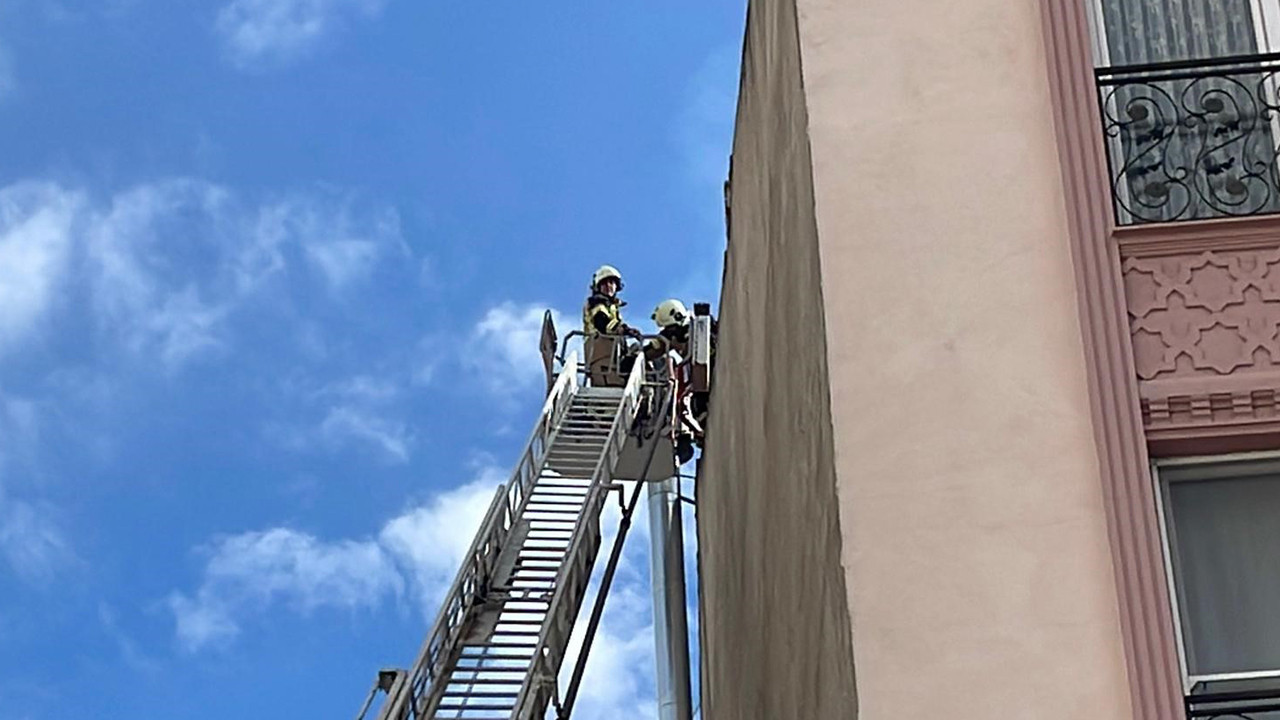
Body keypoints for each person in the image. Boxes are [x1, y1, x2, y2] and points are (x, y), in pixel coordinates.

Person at [647, 298, 719, 460]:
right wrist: (638, 355)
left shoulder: (699, 325)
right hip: (700, 374)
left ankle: (695, 432)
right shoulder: (674, 334)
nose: (669, 331)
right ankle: (698, 433)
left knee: (693, 403)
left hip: (709, 368)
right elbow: (655, 347)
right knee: (690, 404)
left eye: (669, 327)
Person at [582, 265, 641, 386]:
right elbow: (603, 324)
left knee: (638, 352)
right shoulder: (596, 303)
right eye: (604, 283)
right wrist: (626, 330)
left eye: (612, 282)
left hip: (614, 357)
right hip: (602, 358)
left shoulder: (612, 306)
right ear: (598, 287)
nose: (608, 286)